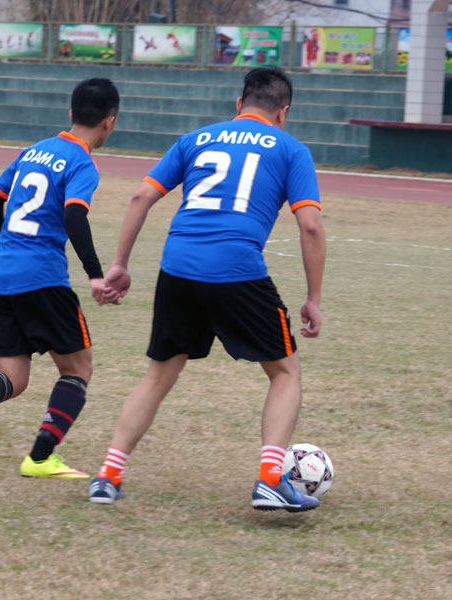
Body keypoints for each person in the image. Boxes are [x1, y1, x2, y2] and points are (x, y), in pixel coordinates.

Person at [88, 67, 326, 511]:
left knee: (158, 375)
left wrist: (119, 265)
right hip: (237, 268)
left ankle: (107, 476)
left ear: (238, 105)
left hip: (177, 267)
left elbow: (141, 197)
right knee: (285, 372)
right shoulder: (291, 149)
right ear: (283, 112)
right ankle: (270, 480)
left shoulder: (195, 139)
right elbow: (310, 225)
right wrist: (313, 298)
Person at [0, 78, 121, 479]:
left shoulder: (33, 151)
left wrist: (5, 246)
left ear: (70, 113)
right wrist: (95, 274)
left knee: (13, 379)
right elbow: (74, 214)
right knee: (78, 369)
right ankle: (40, 458)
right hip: (44, 281)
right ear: (110, 122)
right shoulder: (82, 163)